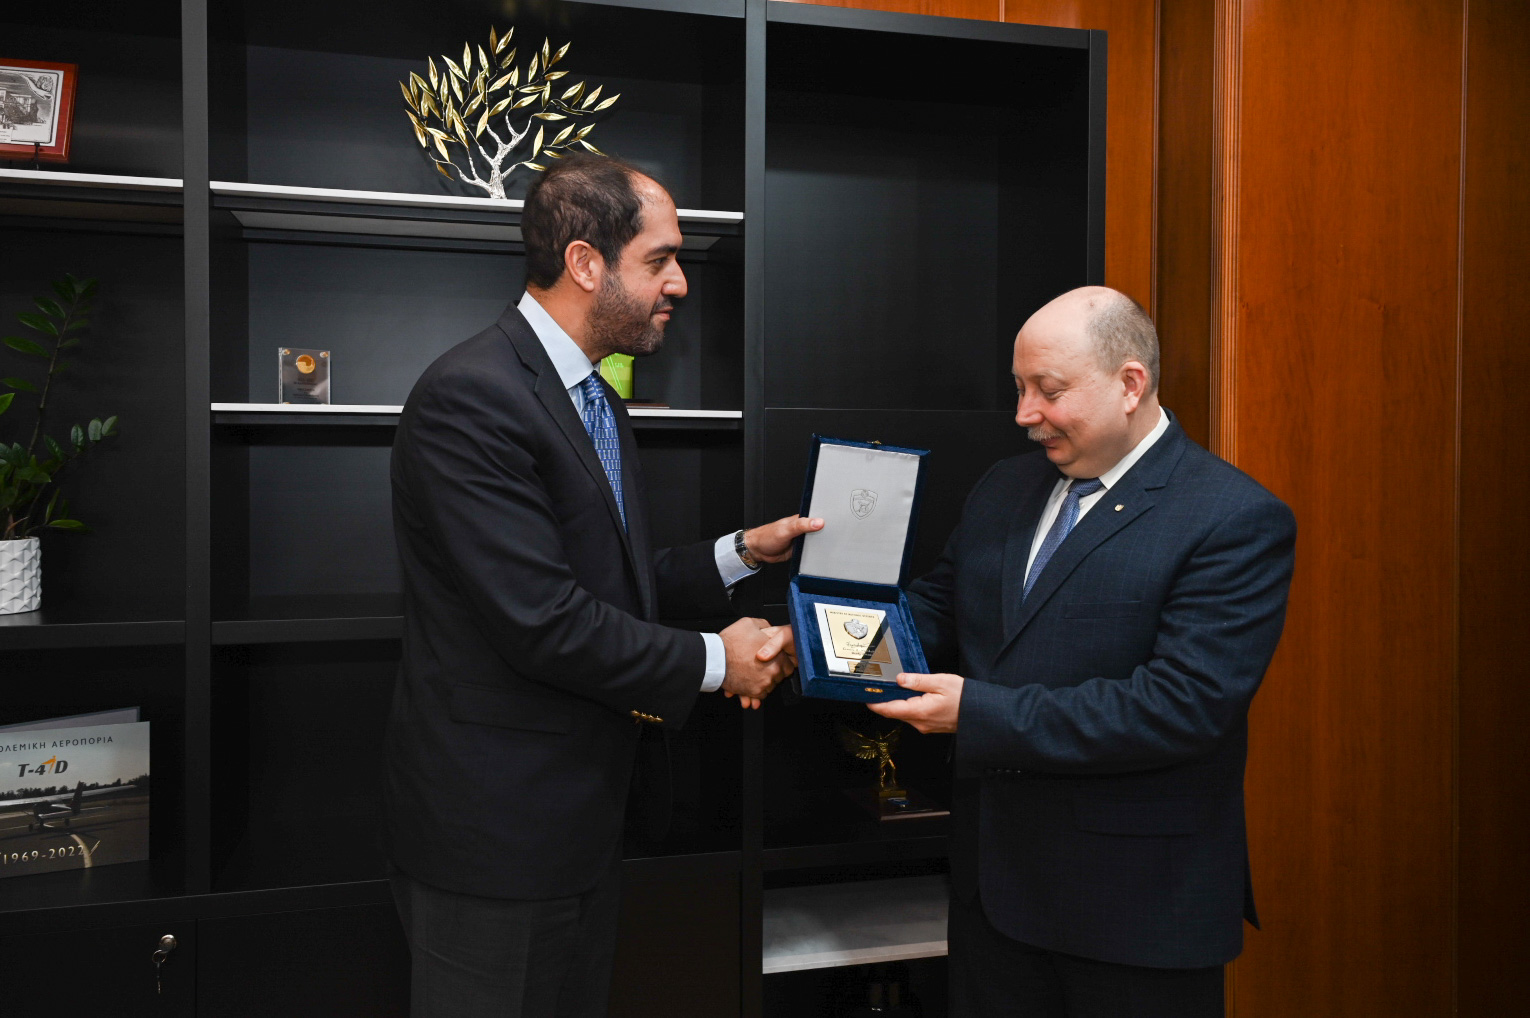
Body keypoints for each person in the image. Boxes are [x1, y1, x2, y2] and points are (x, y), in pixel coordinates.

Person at [385, 154, 815, 1018]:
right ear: (586, 263)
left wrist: (741, 553)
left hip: (581, 825)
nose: (680, 283)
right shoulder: (473, 396)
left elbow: (608, 580)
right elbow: (542, 619)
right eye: (660, 260)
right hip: (497, 841)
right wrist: (718, 662)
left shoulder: (591, 394)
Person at [870, 287, 1297, 1018]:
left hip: (1134, 913)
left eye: (1048, 390)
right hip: (994, 898)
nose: (1024, 413)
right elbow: (937, 608)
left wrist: (978, 713)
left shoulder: (1232, 518)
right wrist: (817, 637)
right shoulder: (1005, 486)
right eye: (1019, 388)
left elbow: (1180, 708)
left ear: (1130, 384)